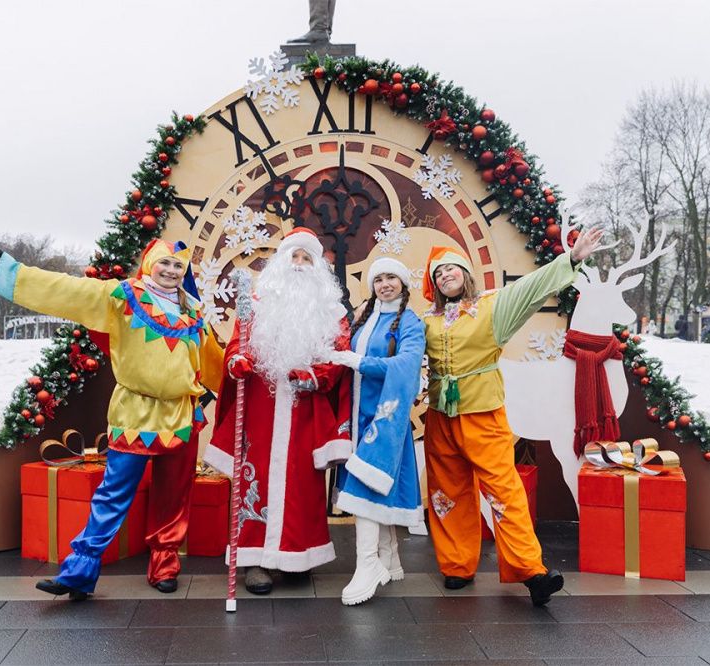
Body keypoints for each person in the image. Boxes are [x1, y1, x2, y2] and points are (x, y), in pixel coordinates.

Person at [0, 239, 223, 599]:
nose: (171, 272)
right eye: (164, 263)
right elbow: (69, 290)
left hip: (182, 415)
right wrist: (15, 275)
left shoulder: (193, 313)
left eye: (178, 267)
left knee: (174, 495)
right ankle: (80, 570)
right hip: (135, 412)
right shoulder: (123, 297)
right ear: (150, 263)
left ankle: (164, 562)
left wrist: (239, 376)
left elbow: (214, 360)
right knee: (113, 493)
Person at [421, 227, 604, 606]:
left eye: (451, 269)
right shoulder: (427, 321)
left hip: (483, 414)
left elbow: (531, 288)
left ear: (466, 274)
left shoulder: (493, 308)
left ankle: (531, 571)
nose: (445, 276)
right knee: (446, 493)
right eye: (438, 273)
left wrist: (571, 259)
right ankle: (456, 565)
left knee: (504, 492)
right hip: (441, 417)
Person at [204, 227, 352, 595]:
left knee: (302, 484)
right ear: (281, 262)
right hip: (261, 404)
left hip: (305, 407)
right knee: (257, 479)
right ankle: (255, 561)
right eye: (294, 257)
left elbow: (338, 354)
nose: (300, 265)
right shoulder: (256, 301)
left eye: (307, 258)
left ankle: (297, 556)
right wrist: (238, 359)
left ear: (318, 267)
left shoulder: (331, 311)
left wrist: (315, 375)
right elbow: (240, 340)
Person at [327, 257, 426, 606]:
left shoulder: (410, 323)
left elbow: (407, 364)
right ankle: (389, 557)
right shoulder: (365, 318)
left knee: (364, 484)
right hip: (357, 417)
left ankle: (368, 564)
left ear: (403, 283)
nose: (385, 284)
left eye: (391, 278)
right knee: (371, 484)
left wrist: (359, 362)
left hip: (384, 419)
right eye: (379, 279)